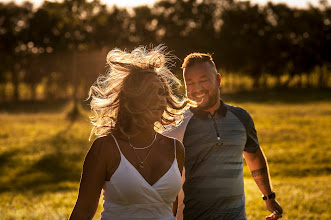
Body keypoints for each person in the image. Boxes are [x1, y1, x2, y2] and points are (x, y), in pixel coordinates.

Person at [69, 46, 194, 220]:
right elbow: (83, 212)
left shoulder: (175, 149)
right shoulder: (105, 148)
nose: (160, 99)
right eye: (151, 92)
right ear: (133, 98)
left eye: (163, 92)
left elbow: (169, 210)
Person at [164, 53, 283, 220]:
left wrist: (269, 198)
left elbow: (254, 157)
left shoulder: (241, 118)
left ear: (218, 80)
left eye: (203, 80)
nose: (196, 88)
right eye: (189, 83)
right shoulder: (176, 124)